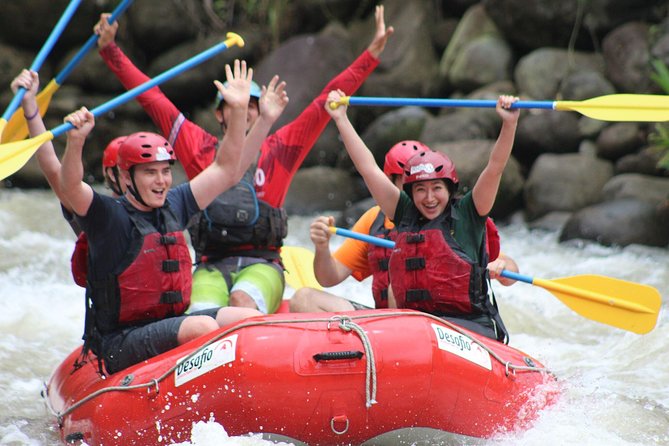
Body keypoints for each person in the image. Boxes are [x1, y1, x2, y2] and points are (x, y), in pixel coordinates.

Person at [94, 5, 394, 315]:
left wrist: (369, 56)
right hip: (210, 266)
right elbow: (152, 98)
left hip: (264, 264)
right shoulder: (196, 146)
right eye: (236, 104)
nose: (246, 110)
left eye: (253, 104)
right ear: (220, 114)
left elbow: (324, 103)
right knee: (203, 313)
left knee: (241, 301)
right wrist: (111, 52)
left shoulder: (282, 146)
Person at [58, 60, 264, 375]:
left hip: (168, 325)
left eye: (166, 171)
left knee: (246, 319)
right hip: (120, 342)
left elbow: (225, 170)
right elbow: (71, 186)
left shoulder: (175, 203)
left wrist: (237, 114)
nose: (161, 181)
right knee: (202, 327)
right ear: (127, 178)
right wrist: (76, 142)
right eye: (150, 173)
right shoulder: (108, 216)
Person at [325, 89, 520, 343]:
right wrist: (341, 119)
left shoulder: (470, 212)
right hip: (418, 328)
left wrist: (509, 123)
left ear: (449, 190)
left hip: (469, 328)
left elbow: (495, 168)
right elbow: (368, 169)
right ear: (410, 193)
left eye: (436, 188)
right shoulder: (404, 213)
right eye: (420, 190)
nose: (429, 198)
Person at [290, 141, 519, 313]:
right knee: (304, 299)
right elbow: (330, 277)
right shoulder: (373, 220)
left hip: (438, 327)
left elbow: (506, 268)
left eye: (431, 184)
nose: (422, 192)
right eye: (411, 183)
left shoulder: (452, 218)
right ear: (391, 182)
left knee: (394, 288)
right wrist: (321, 247)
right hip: (383, 326)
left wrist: (501, 265)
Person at [11, 69, 127, 287]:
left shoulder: (165, 208)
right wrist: (30, 106)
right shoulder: (92, 210)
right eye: (143, 172)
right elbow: (53, 169)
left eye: (159, 171)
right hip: (116, 316)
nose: (156, 179)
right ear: (112, 175)